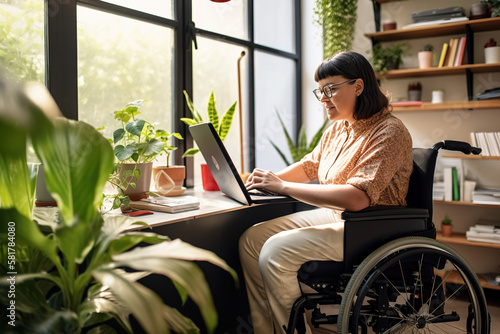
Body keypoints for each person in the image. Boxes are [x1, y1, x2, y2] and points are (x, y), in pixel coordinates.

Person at [239, 51, 413, 333]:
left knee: (274, 250)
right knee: (252, 240)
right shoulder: (339, 128)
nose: (323, 99)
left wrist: (282, 187)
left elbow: (357, 198)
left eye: (330, 89)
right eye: (320, 91)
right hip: (339, 219)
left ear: (358, 86)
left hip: (372, 227)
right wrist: (265, 180)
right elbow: (310, 166)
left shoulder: (389, 131)